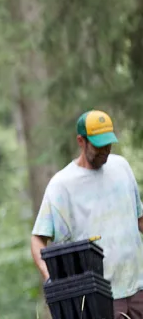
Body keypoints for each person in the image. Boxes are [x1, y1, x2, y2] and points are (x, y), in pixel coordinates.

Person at [31, 110, 143, 318]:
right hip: (100, 296)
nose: (105, 151)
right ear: (81, 141)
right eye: (98, 145)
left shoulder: (122, 167)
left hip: (138, 289)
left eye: (108, 144)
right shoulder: (62, 185)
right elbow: (38, 240)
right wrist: (52, 278)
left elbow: (139, 219)